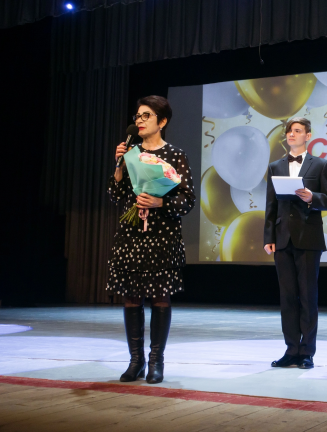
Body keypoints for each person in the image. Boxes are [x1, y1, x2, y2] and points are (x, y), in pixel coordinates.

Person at [107, 95, 195, 384]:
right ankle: (136, 361)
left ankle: (156, 361)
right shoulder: (130, 154)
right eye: (138, 116)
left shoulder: (176, 155)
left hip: (162, 235)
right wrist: (119, 166)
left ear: (162, 121)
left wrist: (161, 203)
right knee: (131, 297)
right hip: (132, 235)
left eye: (146, 115)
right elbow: (115, 196)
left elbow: (188, 200)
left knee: (160, 296)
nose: (140, 120)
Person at [264, 117, 327, 369]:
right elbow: (270, 204)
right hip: (282, 238)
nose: (292, 134)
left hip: (308, 237)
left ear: (308, 135)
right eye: (289, 131)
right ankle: (291, 349)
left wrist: (311, 197)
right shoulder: (275, 166)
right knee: (287, 298)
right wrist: (269, 237)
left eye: (297, 131)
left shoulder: (321, 165)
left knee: (307, 297)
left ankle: (307, 352)